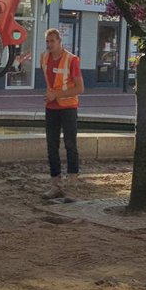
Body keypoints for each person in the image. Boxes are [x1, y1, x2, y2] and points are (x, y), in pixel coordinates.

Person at [40, 27, 83, 198]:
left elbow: (80, 88)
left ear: (59, 41)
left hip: (68, 108)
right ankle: (55, 184)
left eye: (52, 41)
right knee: (52, 146)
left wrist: (55, 94)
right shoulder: (44, 58)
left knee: (70, 145)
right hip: (51, 107)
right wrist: (51, 95)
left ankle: (72, 184)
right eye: (47, 41)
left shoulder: (72, 60)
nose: (50, 44)